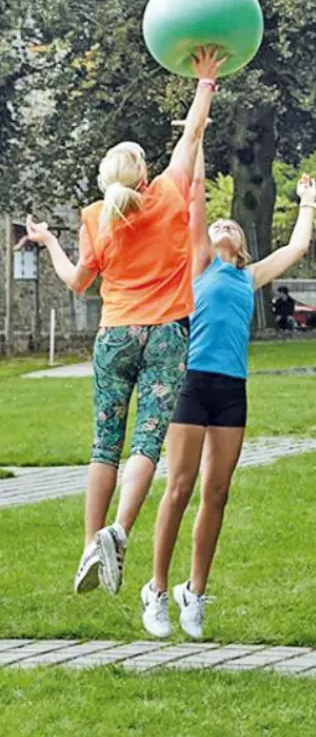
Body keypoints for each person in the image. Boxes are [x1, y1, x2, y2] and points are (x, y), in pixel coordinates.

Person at [21, 47, 226, 596]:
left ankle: (93, 544)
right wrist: (205, 82)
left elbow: (77, 282)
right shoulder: (166, 193)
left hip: (115, 336)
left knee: (103, 443)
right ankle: (119, 531)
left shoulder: (95, 217)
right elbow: (192, 138)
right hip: (166, 335)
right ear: (142, 172)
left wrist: (46, 242)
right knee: (146, 442)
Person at [140, 148, 316, 639]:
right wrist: (196, 143)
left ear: (241, 246)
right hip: (191, 383)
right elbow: (195, 200)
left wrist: (307, 202)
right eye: (218, 225)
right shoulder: (198, 266)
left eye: (232, 227)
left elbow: (296, 249)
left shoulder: (248, 277)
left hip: (231, 390)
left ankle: (193, 593)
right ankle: (155, 590)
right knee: (178, 487)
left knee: (216, 492)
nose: (224, 226)